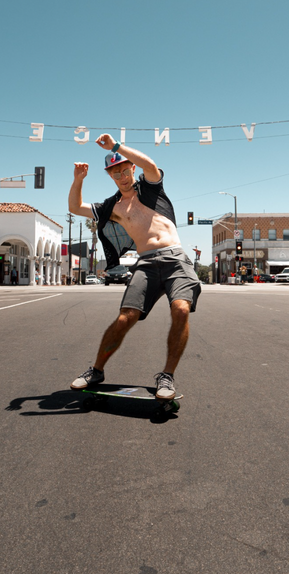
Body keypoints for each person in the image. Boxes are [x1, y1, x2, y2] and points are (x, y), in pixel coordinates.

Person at [68, 133, 201, 401]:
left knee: (181, 309)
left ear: (132, 168)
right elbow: (75, 207)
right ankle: (96, 370)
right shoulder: (112, 207)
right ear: (110, 176)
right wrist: (78, 180)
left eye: (125, 170)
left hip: (175, 259)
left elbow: (150, 165)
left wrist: (116, 146)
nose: (122, 177)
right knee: (125, 318)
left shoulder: (151, 189)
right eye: (115, 173)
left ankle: (167, 376)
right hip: (146, 264)